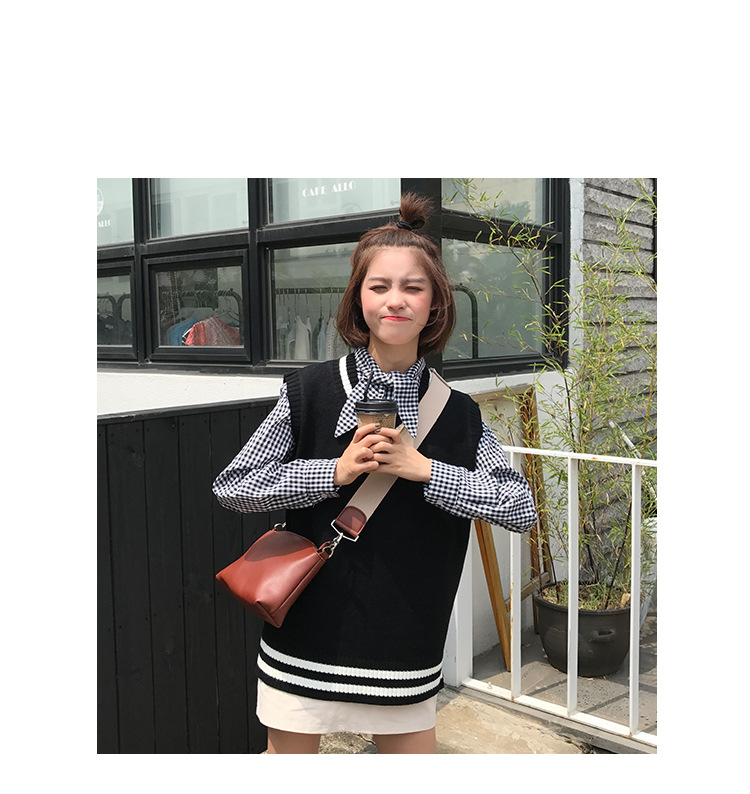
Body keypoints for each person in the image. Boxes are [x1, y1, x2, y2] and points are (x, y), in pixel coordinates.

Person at [212, 193, 538, 754]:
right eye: (379, 286)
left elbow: (520, 508)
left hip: (405, 642)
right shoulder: (311, 391)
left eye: (413, 287)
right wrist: (333, 471)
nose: (395, 300)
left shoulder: (458, 413)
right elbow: (234, 486)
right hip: (305, 634)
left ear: (435, 304)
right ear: (358, 298)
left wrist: (426, 470)